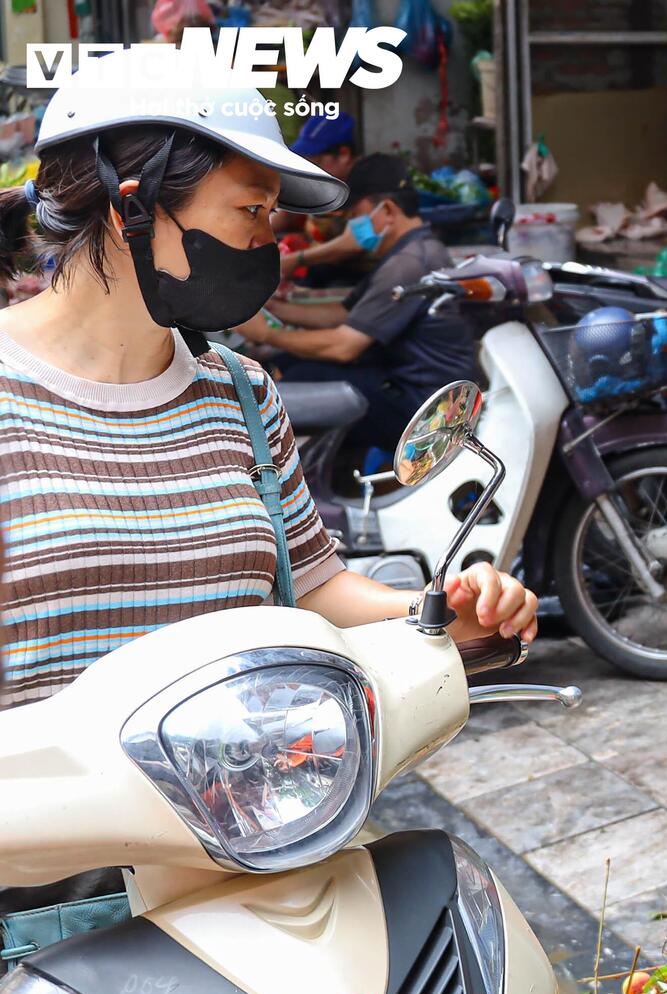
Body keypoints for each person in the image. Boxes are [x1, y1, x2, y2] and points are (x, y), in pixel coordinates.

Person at [0, 44, 535, 718]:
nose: (268, 242)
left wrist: (442, 611)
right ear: (131, 207)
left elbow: (311, 586)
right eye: (251, 211)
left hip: (251, 787)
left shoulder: (242, 394)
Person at [236, 153, 479, 467]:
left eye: (359, 216)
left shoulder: (408, 264)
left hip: (426, 410)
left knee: (300, 377)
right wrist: (274, 307)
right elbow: (344, 314)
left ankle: (303, 476)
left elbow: (344, 346)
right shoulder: (414, 250)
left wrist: (267, 334)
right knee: (290, 361)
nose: (354, 227)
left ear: (387, 210)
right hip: (408, 384)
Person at [275, 111, 365, 282]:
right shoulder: (321, 182)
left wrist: (296, 259)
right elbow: (284, 215)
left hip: (357, 278)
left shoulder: (369, 183)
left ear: (344, 154)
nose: (311, 169)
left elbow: (353, 243)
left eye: (316, 162)